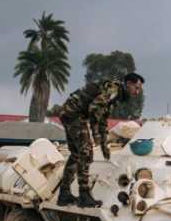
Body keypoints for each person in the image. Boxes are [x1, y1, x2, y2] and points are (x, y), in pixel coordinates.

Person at [56, 72, 145, 207]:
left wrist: (104, 144)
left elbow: (102, 118)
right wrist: (95, 134)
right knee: (86, 153)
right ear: (128, 84)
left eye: (139, 89)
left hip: (69, 112)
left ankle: (64, 194)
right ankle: (84, 195)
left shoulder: (117, 94)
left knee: (76, 154)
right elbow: (94, 109)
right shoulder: (114, 90)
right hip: (74, 115)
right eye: (136, 88)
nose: (137, 92)